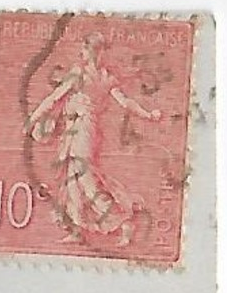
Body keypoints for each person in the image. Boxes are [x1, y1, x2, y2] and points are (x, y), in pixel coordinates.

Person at [25, 32, 165, 247]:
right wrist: (148, 115)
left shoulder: (81, 73)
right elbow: (125, 102)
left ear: (91, 51)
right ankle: (77, 229)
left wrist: (32, 119)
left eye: (85, 50)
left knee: (86, 182)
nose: (82, 53)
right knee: (72, 183)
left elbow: (54, 98)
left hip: (83, 131)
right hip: (82, 130)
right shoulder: (105, 76)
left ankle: (124, 221)